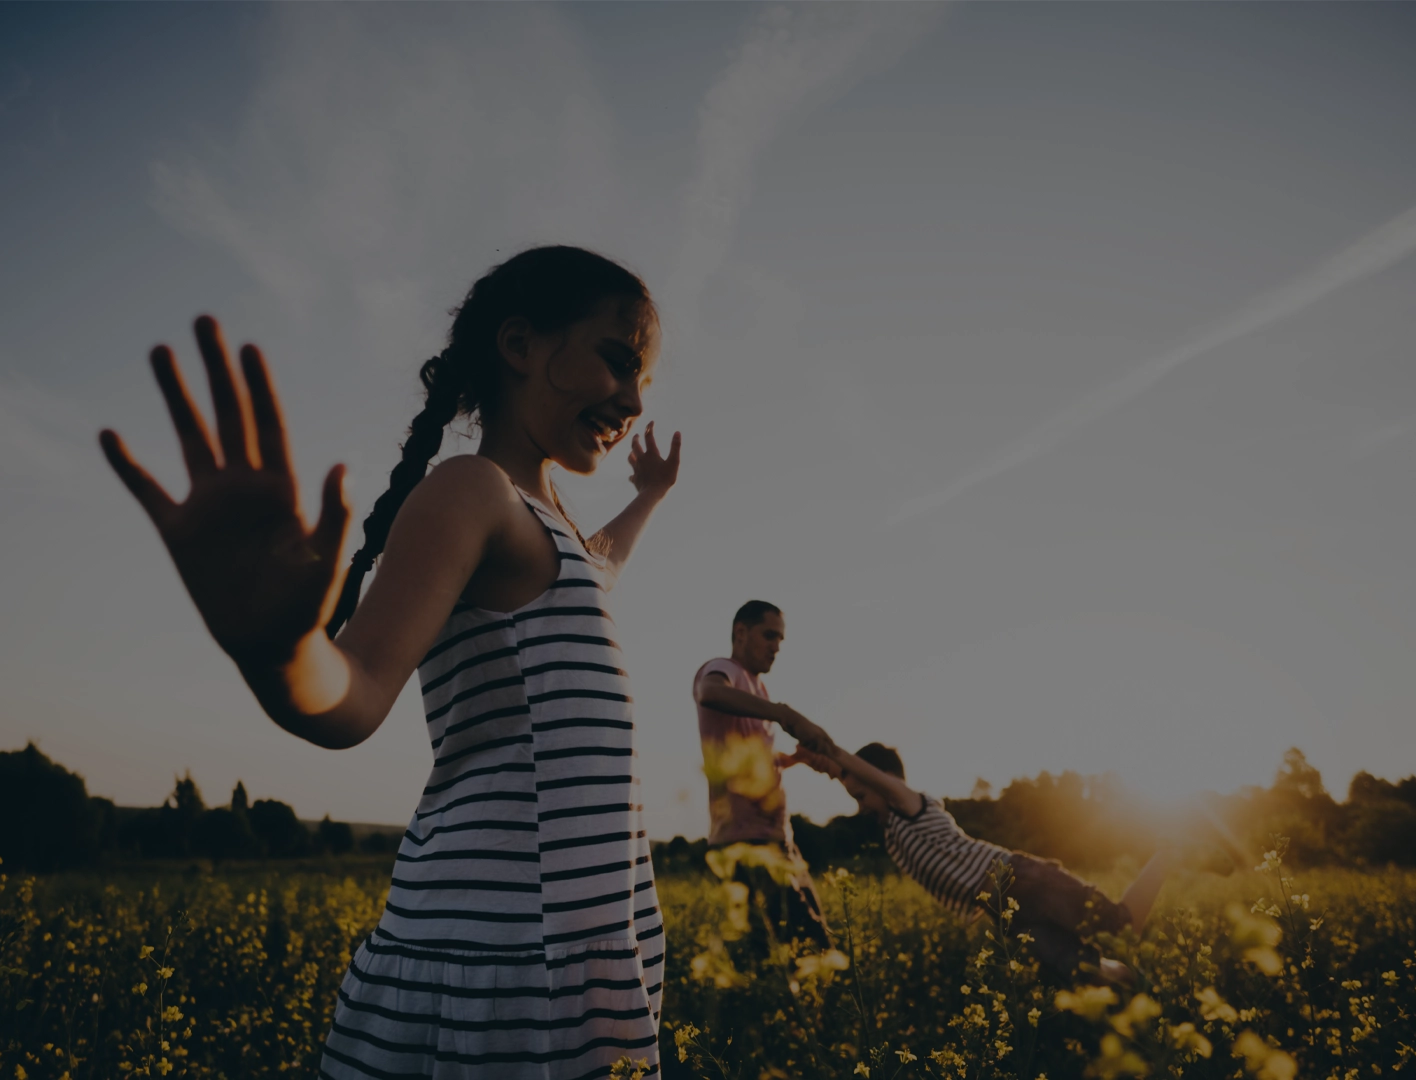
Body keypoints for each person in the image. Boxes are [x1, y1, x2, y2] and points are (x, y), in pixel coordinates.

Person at [101, 246, 682, 1078]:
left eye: (647, 384)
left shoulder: (550, 525)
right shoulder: (471, 490)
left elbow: (602, 565)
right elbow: (359, 690)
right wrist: (285, 651)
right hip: (501, 963)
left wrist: (652, 496)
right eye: (617, 362)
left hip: (572, 953)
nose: (631, 398)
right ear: (519, 345)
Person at [781, 726, 1236, 986]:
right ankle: (1139, 987)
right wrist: (808, 763)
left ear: (883, 781)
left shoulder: (908, 802)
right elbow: (845, 774)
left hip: (1021, 880)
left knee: (1120, 927)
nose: (857, 800)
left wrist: (822, 744)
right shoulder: (891, 828)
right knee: (1083, 975)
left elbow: (855, 771)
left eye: (863, 793)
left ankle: (1169, 850)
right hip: (1005, 912)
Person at [692, 601, 830, 949]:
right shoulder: (725, 669)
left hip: (780, 841)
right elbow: (708, 691)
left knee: (807, 944)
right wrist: (784, 715)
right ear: (741, 632)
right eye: (769, 636)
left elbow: (756, 759)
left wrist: (791, 759)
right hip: (746, 843)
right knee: (808, 950)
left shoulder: (758, 688)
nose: (776, 647)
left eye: (780, 640)